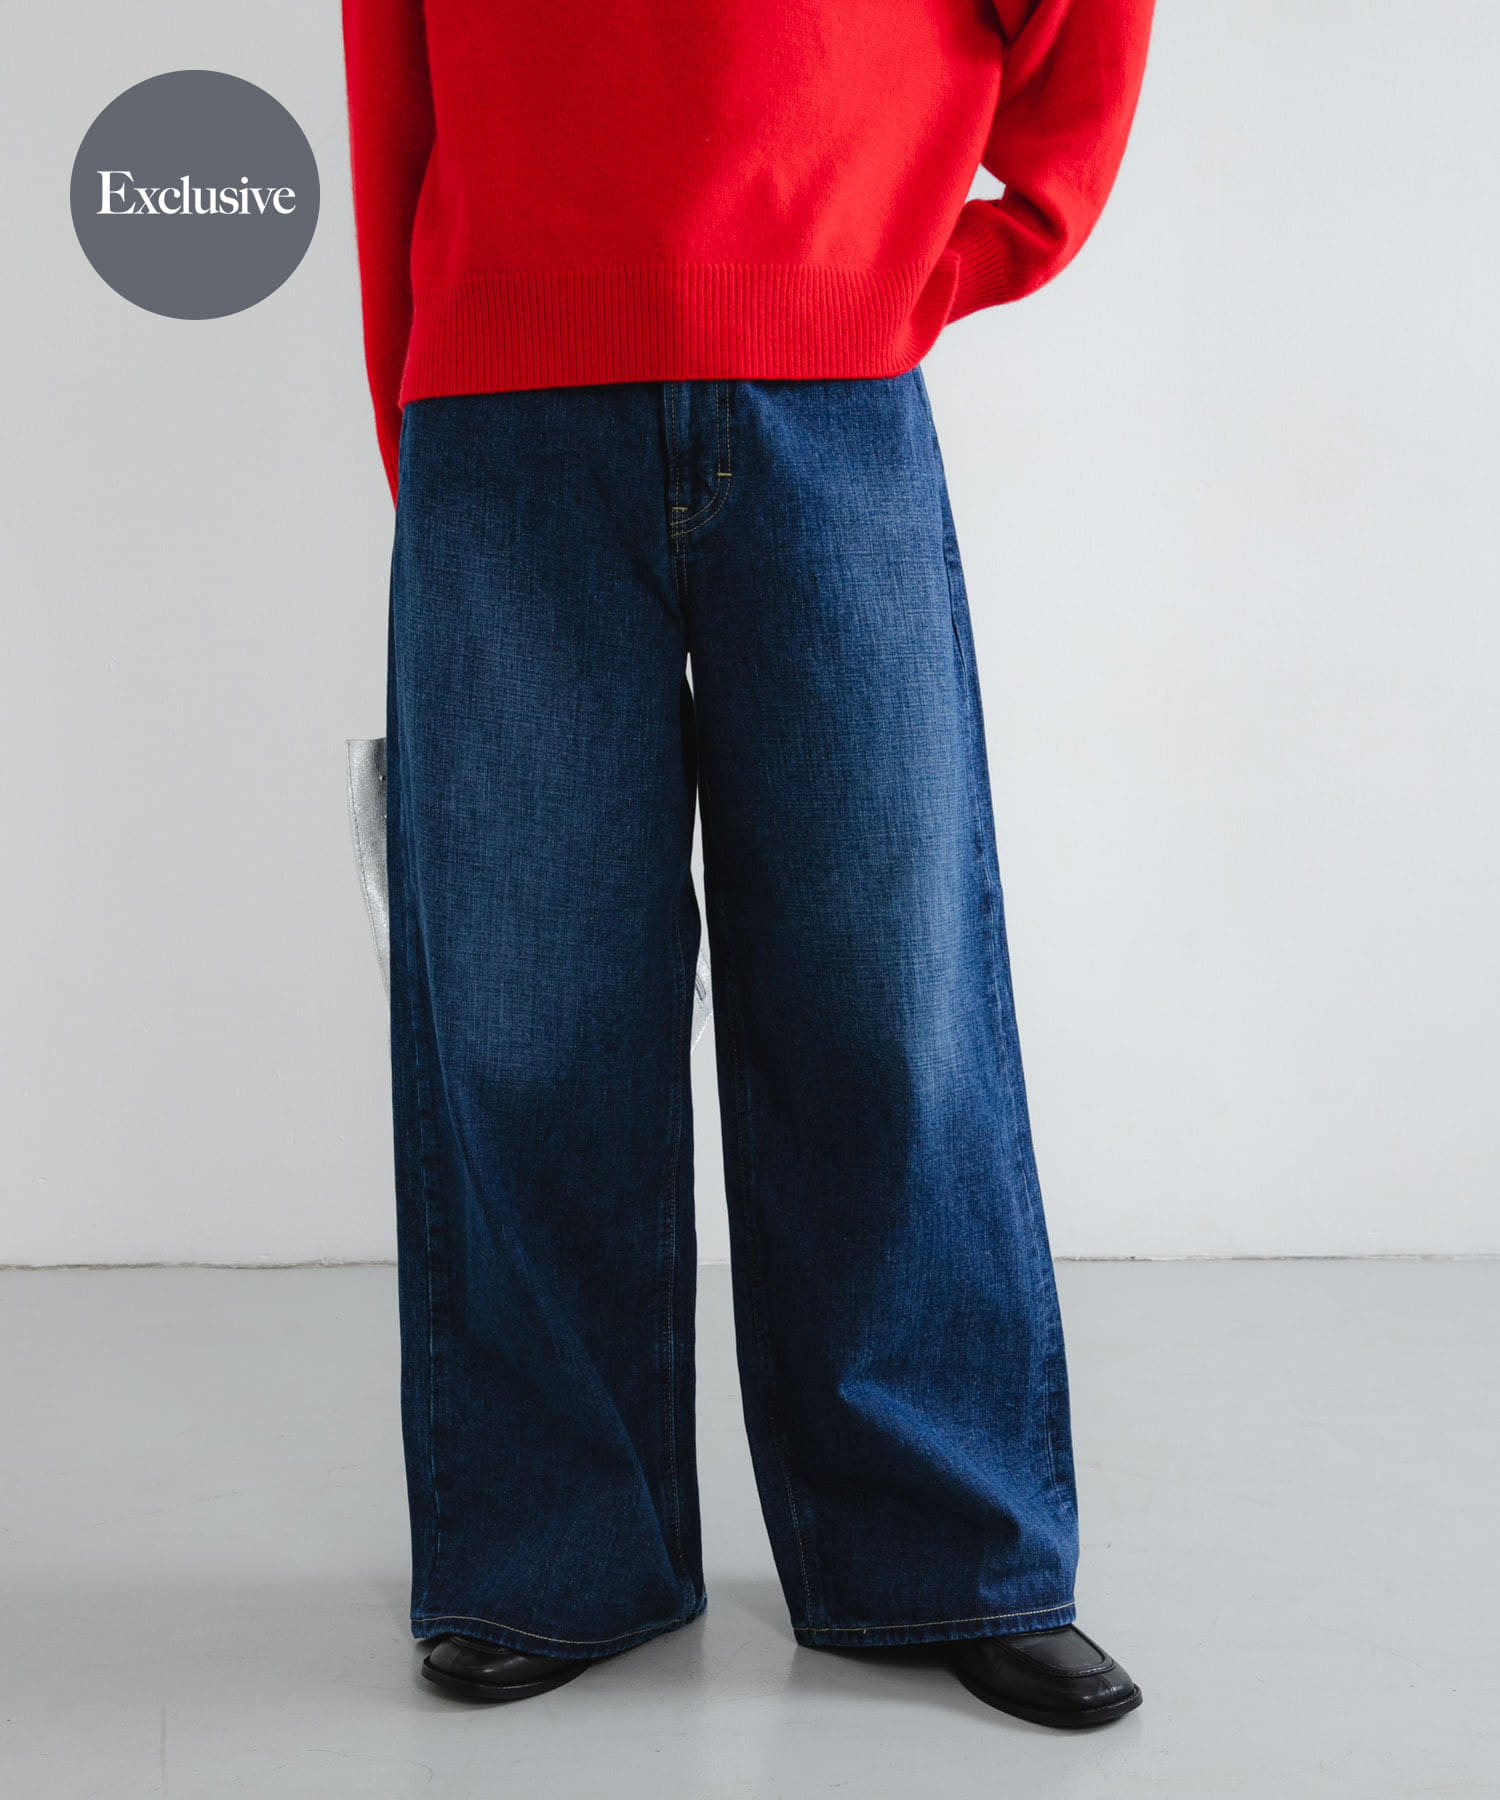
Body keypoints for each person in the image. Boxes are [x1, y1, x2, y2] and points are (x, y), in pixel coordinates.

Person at [341, 0, 1154, 1729]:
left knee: (885, 989)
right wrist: (423, 389)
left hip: (832, 379)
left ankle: (937, 1552)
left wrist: (997, 233)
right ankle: (550, 1553)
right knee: (525, 1006)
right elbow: (388, 58)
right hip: (504, 392)